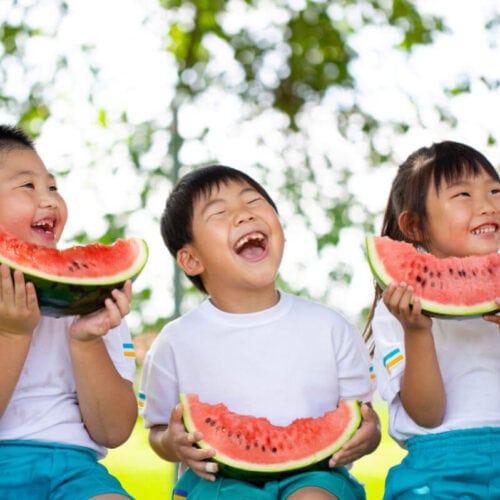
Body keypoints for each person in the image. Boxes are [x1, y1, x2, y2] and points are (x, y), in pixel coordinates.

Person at [139, 164, 381, 500]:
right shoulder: (176, 342)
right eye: (219, 212)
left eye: (253, 202)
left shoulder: (331, 328)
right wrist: (172, 443)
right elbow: (158, 430)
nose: (243, 215)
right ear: (191, 259)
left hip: (318, 474)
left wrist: (370, 436)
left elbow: (363, 419)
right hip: (215, 479)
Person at [0, 124, 137, 499]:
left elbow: (113, 432)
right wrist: (13, 333)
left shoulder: (91, 299)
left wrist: (85, 340)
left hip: (74, 469)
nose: (49, 200)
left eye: (53, 187)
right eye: (27, 187)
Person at [363, 141, 500, 499]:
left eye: (495, 190)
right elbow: (427, 415)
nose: (487, 205)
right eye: (463, 195)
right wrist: (416, 332)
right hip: (440, 467)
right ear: (416, 226)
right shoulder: (398, 309)